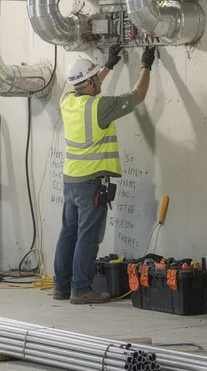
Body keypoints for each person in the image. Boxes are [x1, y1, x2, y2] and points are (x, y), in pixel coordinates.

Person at [53, 43, 156, 304]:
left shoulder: (67, 100)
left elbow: (89, 82)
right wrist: (146, 65)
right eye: (95, 78)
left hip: (71, 181)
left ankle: (61, 287)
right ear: (89, 84)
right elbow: (137, 95)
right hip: (91, 184)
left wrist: (109, 65)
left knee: (68, 235)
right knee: (88, 238)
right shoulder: (99, 107)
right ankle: (81, 289)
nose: (99, 82)